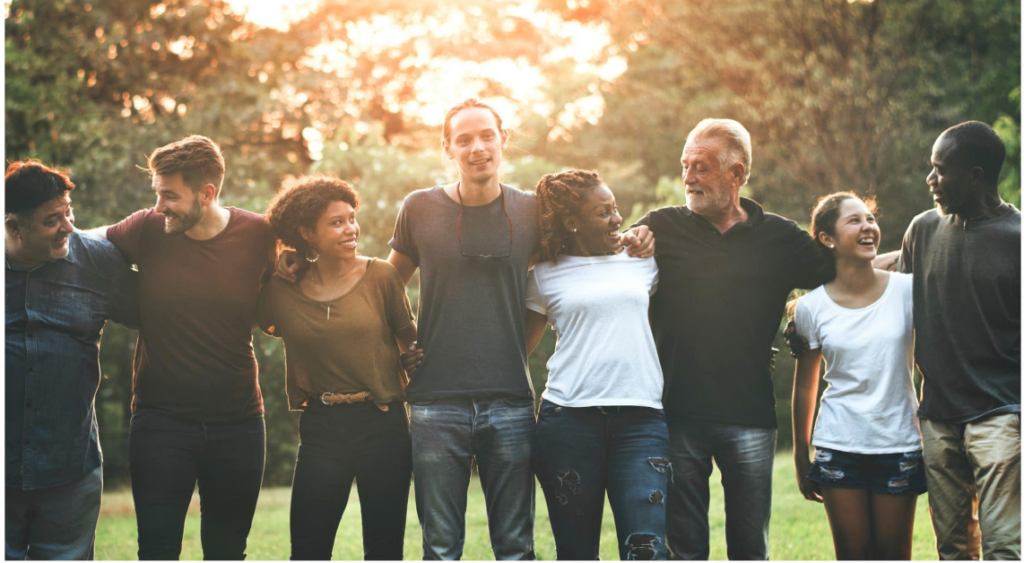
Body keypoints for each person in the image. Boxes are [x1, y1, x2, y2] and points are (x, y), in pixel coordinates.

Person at [632, 118, 858, 559]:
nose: (689, 177)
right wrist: (629, 238)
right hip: (677, 415)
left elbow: (848, 272)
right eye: (686, 165)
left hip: (750, 416)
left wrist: (911, 259)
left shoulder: (779, 237)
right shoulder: (661, 227)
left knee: (751, 548)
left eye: (702, 166)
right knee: (685, 547)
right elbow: (610, 258)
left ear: (737, 174)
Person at [91, 135, 277, 560]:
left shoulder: (259, 235)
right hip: (161, 423)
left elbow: (283, 293)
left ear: (207, 193)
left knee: (228, 551)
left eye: (169, 196)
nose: (159, 206)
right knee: (156, 550)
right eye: (157, 194)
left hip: (239, 423)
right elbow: (83, 244)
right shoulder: (146, 228)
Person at [258, 176, 417, 560]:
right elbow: (244, 302)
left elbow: (410, 342)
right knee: (308, 550)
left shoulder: (381, 275)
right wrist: (278, 261)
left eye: (351, 218)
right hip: (321, 428)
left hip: (382, 423)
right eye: (336, 222)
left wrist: (415, 364)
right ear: (306, 233)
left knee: (384, 550)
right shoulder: (281, 289)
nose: (351, 229)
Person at [524, 170, 668, 560]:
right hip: (568, 423)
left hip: (642, 422)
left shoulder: (643, 261)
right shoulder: (543, 274)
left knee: (647, 549)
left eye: (616, 209)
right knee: (576, 552)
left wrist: (644, 237)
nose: (617, 219)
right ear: (572, 222)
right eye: (603, 212)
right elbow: (518, 348)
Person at [896, 121, 1020, 560]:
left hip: (1001, 415)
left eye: (940, 170)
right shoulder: (922, 230)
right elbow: (886, 298)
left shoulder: (1018, 240)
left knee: (1004, 546)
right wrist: (814, 304)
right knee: (952, 549)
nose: (930, 180)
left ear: (976, 176)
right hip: (939, 418)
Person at [5, 160, 138, 560]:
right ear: (13, 227)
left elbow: (164, 310)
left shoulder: (98, 261)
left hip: (70, 466)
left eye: (68, 212)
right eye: (51, 220)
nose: (67, 226)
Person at [786, 192, 924, 559]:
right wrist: (802, 453)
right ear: (827, 238)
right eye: (854, 221)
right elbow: (805, 386)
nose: (868, 227)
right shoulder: (810, 308)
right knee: (852, 552)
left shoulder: (908, 291)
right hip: (838, 445)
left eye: (871, 220)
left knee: (895, 554)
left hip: (898, 442)